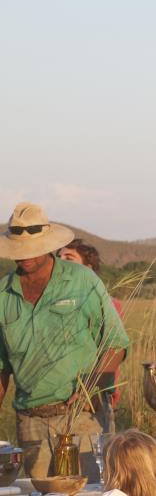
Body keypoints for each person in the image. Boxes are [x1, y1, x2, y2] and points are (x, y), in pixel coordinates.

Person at [0, 203, 129, 481]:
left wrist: (88, 388)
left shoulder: (82, 281)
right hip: (30, 423)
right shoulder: (3, 294)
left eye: (32, 248)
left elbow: (115, 344)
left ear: (47, 245)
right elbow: (1, 368)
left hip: (82, 418)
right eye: (19, 248)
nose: (25, 255)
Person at [59, 238, 124, 434]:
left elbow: (114, 349)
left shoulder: (106, 303)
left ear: (88, 268)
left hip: (91, 400)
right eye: (59, 257)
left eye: (69, 258)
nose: (61, 262)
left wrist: (92, 390)